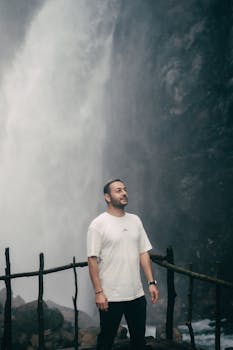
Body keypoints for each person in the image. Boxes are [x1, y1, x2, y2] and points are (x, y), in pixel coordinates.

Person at [87, 179, 159, 350]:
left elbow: (143, 252)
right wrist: (98, 292)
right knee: (106, 341)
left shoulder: (135, 220)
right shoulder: (98, 224)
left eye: (125, 189)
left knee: (138, 342)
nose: (124, 193)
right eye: (118, 190)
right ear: (107, 197)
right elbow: (92, 260)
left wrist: (151, 283)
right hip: (111, 296)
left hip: (136, 294)